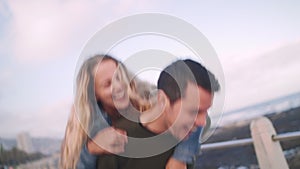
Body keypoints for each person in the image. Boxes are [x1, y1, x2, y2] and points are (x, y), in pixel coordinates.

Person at [60, 55, 209, 169]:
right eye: (107, 84)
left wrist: (181, 157)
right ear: (93, 93)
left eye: (118, 77)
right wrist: (90, 149)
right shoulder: (89, 127)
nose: (119, 86)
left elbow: (194, 111)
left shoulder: (150, 95)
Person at [97, 59, 220, 169]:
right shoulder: (118, 140)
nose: (202, 122)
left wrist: (182, 157)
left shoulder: (185, 136)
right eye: (194, 112)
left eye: (205, 111)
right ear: (162, 100)